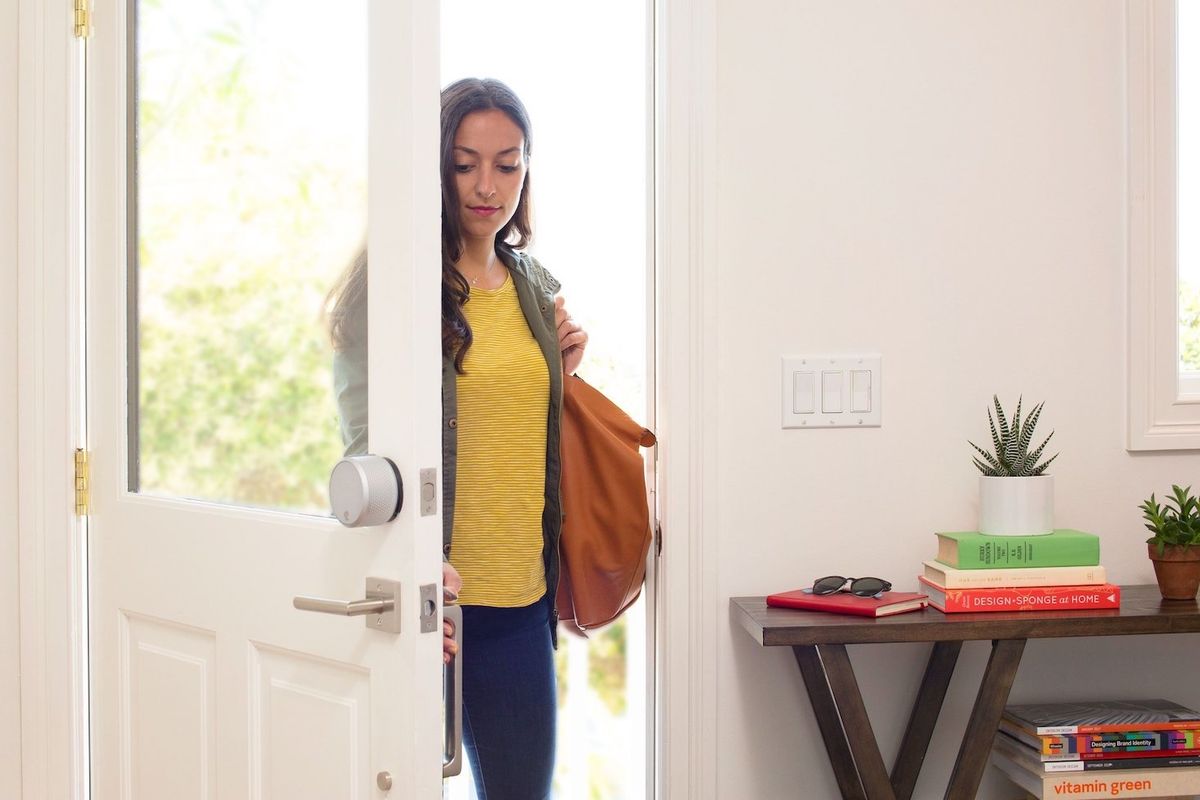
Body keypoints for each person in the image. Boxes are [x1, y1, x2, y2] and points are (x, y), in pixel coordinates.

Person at [326, 77, 586, 800]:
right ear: (433, 165)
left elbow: (518, 430)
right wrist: (412, 567)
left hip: (519, 607)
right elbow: (363, 450)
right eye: (464, 162)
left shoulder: (533, 287)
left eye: (508, 164)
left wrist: (560, 371)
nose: (487, 186)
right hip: (431, 604)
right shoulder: (391, 289)